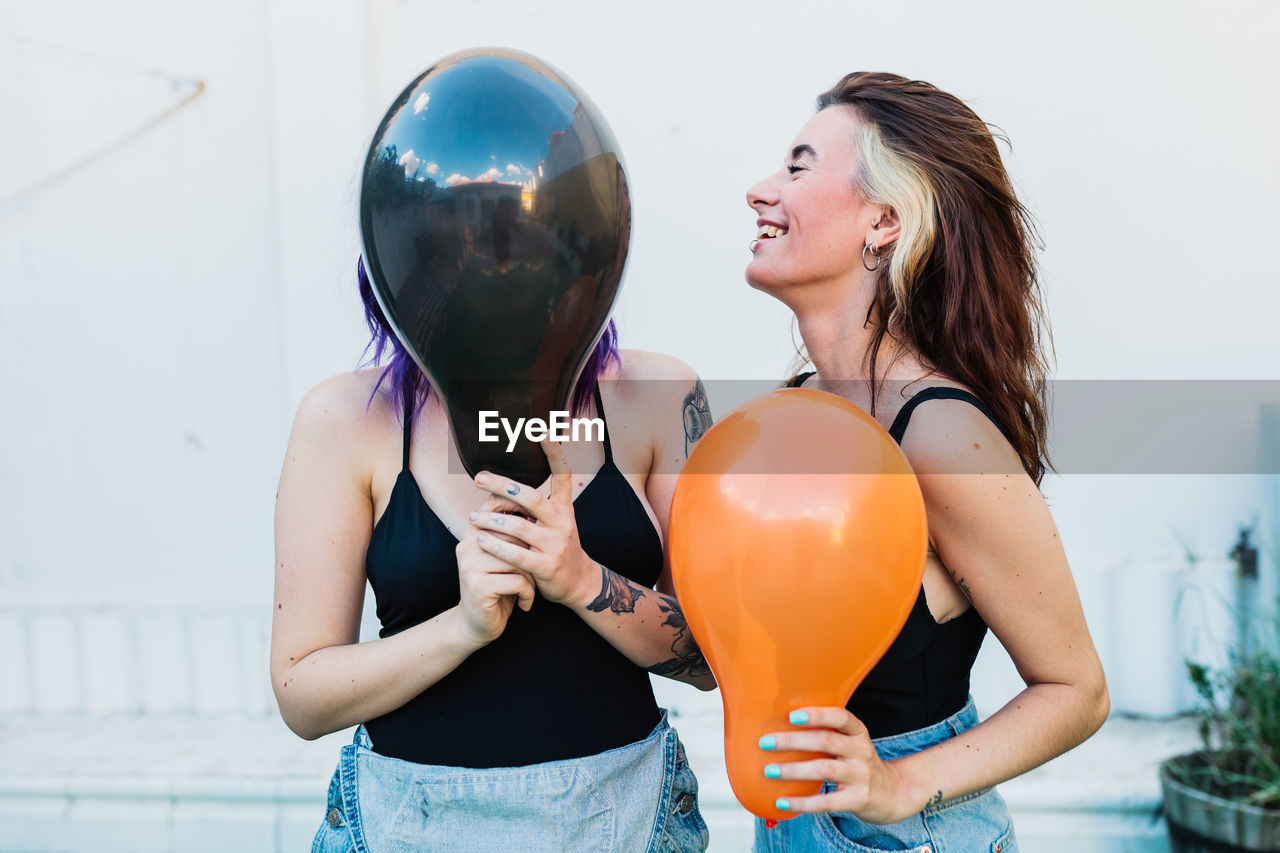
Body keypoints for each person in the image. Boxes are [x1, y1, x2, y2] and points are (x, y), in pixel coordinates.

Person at [745, 72, 1109, 852]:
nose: (760, 191)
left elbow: (1078, 690)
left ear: (884, 222)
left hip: (909, 834)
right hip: (786, 823)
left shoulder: (940, 435)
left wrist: (898, 783)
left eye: (799, 167)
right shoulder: (798, 408)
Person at [271, 260, 715, 852]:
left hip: (623, 820)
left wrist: (583, 581)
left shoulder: (657, 395)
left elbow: (713, 660)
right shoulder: (345, 417)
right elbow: (302, 695)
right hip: (408, 824)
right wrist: (461, 628)